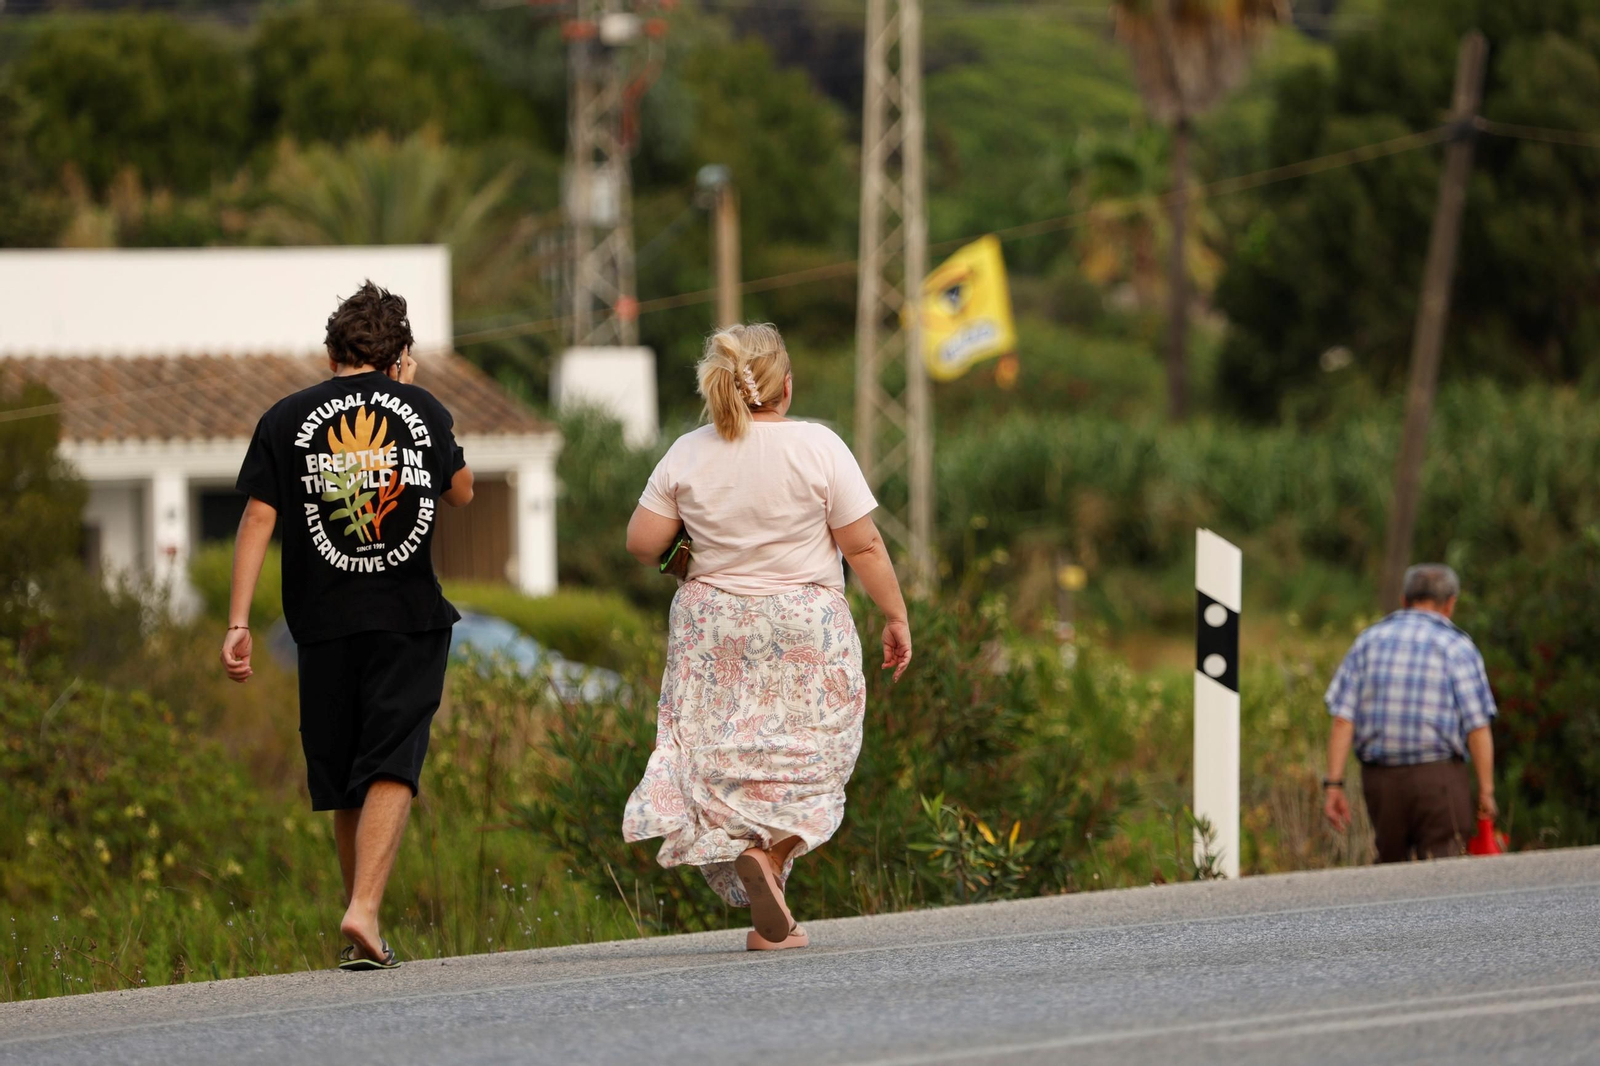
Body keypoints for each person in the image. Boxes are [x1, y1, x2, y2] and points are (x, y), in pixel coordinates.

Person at [621, 322, 913, 951]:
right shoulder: (819, 446)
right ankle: (775, 853)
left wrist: (689, 565)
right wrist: (895, 614)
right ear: (786, 385)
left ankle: (766, 878)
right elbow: (861, 543)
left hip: (712, 623)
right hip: (803, 623)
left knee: (725, 752)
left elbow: (643, 543)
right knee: (814, 754)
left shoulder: (688, 451)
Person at [219, 281, 475, 970]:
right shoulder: (422, 407)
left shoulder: (284, 416)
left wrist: (239, 621)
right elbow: (462, 490)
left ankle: (361, 921)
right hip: (406, 615)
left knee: (342, 772)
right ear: (398, 353)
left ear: (330, 348)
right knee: (390, 759)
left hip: (321, 622)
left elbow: (258, 518)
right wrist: (411, 395)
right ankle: (363, 910)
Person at [1322, 563, 1497, 862]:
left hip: (1382, 782)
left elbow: (1342, 719)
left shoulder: (1367, 642)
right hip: (1439, 779)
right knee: (1444, 868)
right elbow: (1477, 727)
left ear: (1404, 600)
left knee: (1391, 869)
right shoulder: (1456, 646)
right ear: (1450, 604)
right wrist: (1485, 792)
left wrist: (1334, 784)